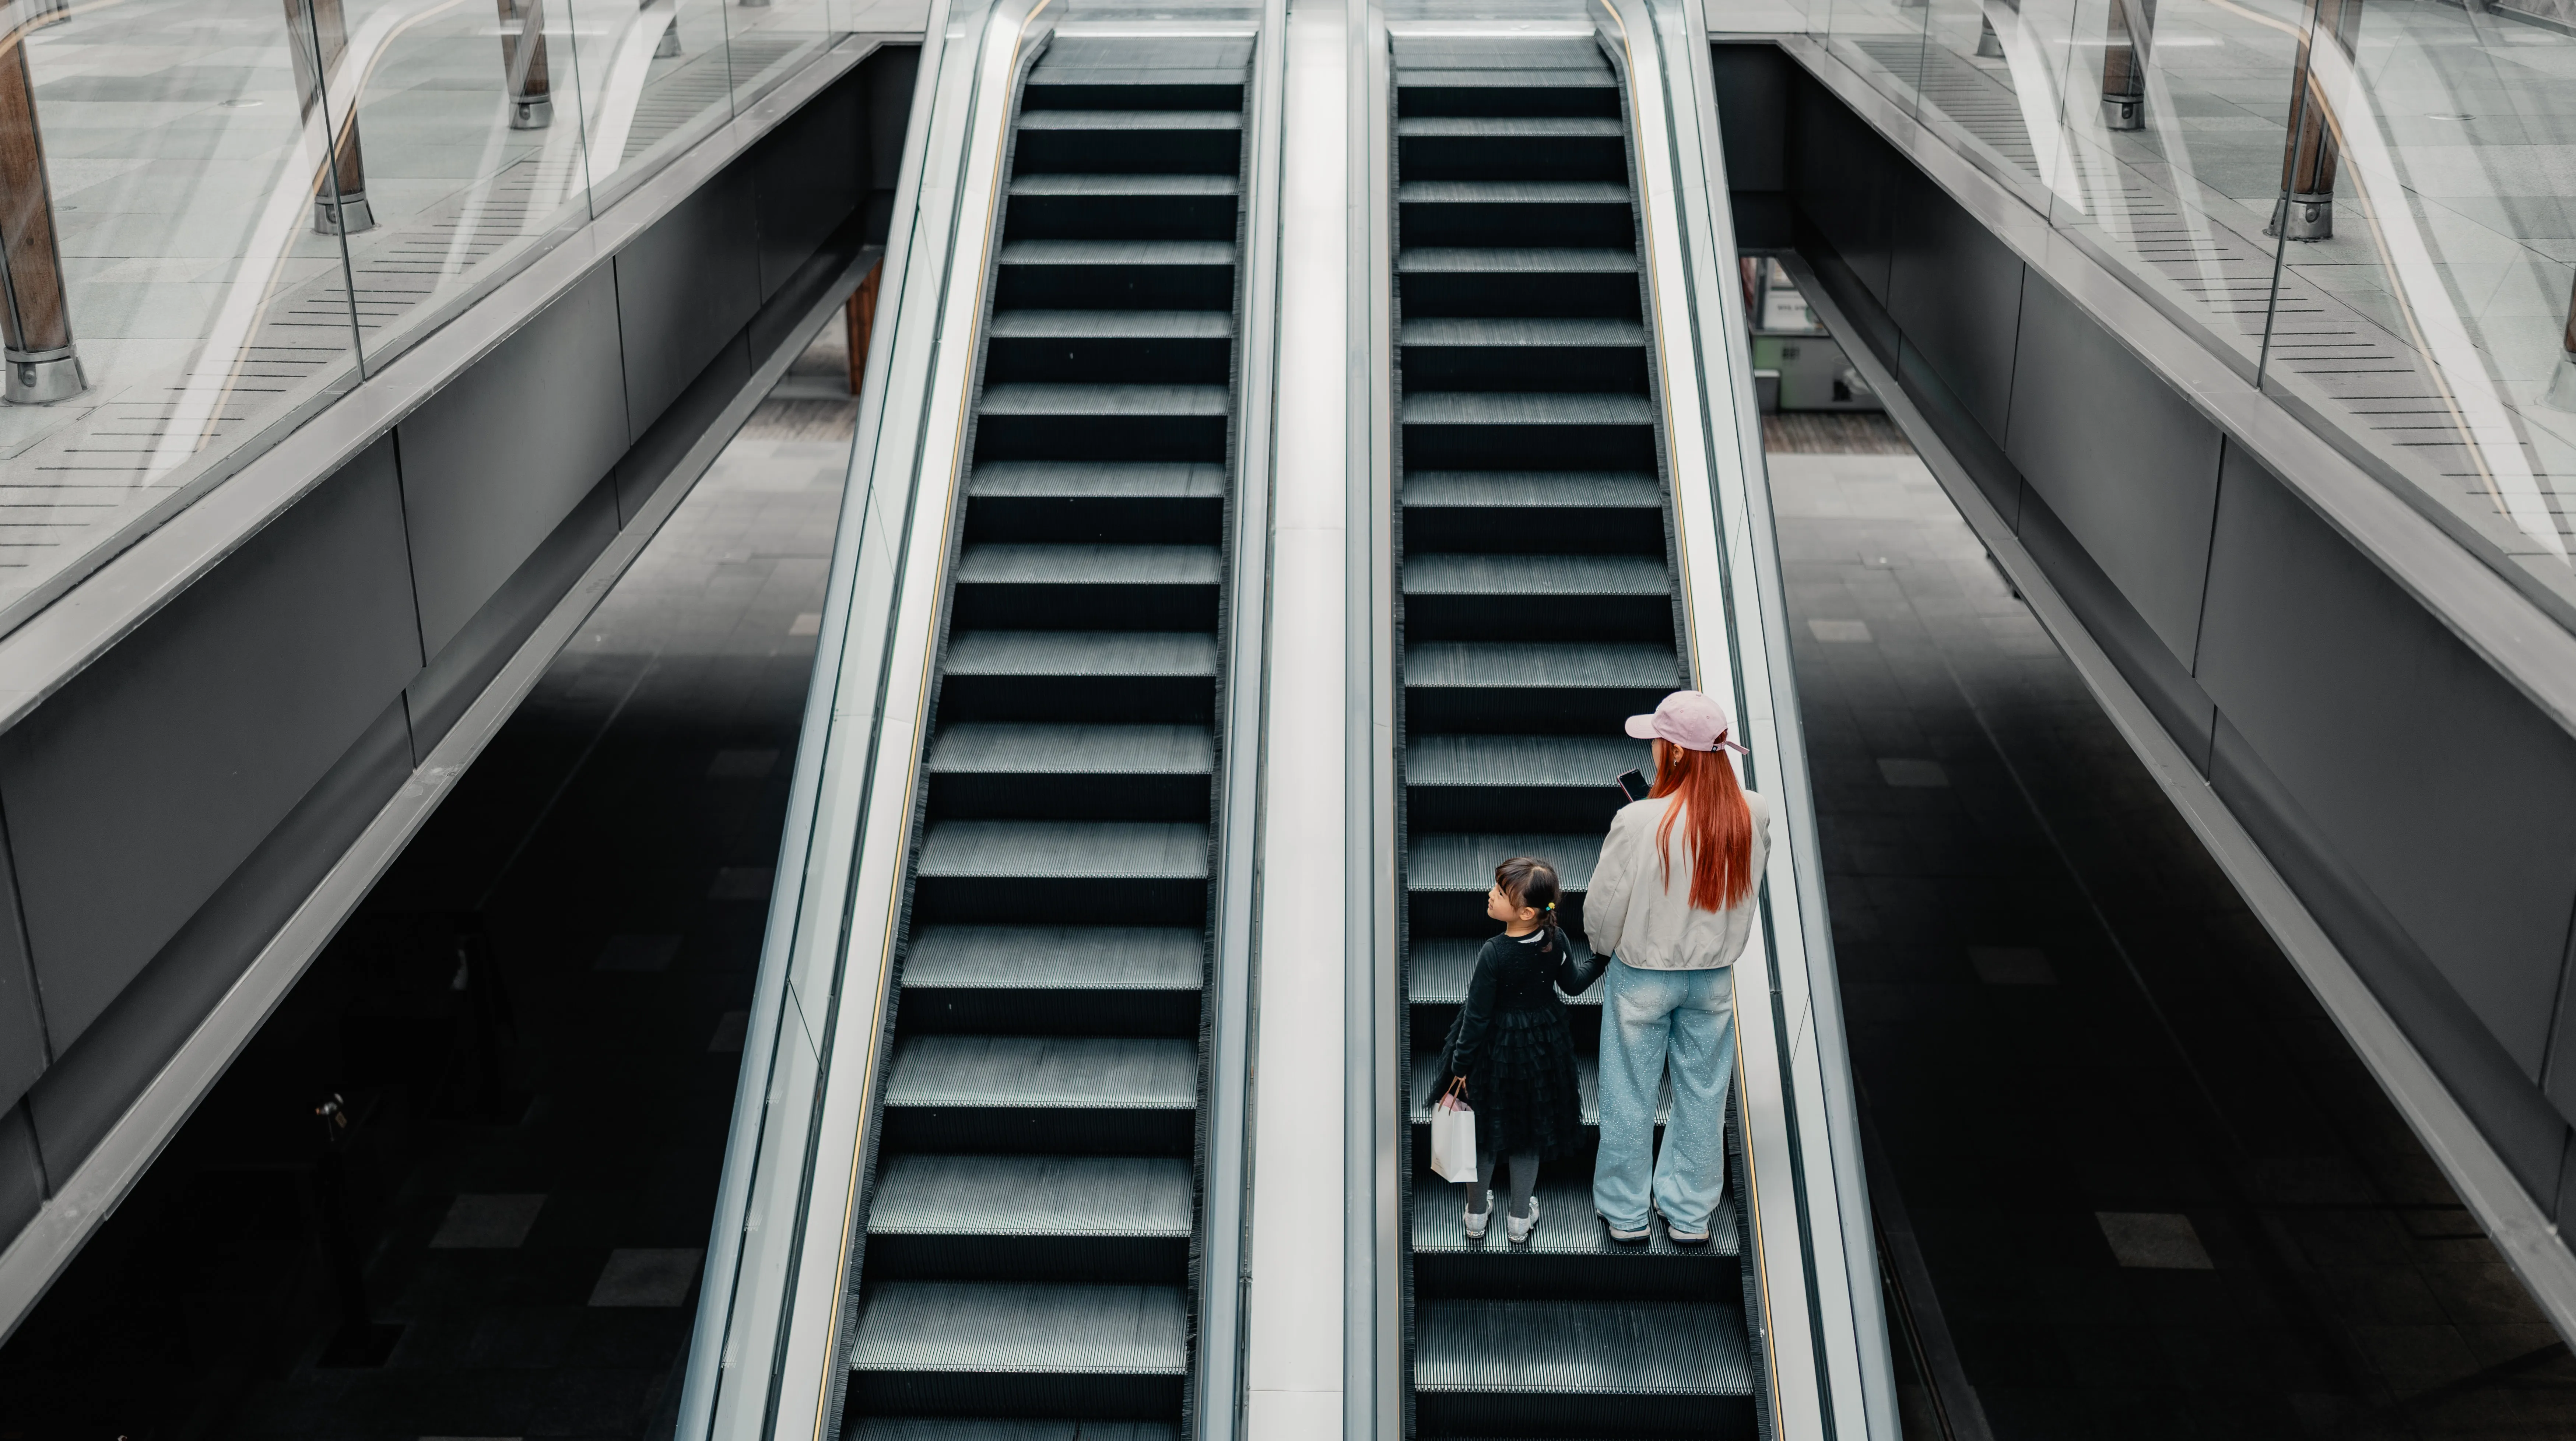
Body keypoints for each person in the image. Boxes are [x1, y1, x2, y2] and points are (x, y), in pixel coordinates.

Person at [1584, 690, 1771, 1245]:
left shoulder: (1638, 819)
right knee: (1703, 1094)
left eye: (1661, 742)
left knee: (1628, 1092)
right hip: (1712, 977)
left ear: (1679, 753)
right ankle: (1689, 1213)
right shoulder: (1754, 812)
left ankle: (1625, 1211)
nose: (1656, 749)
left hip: (1642, 974)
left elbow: (1604, 905)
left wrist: (1599, 948)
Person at [1425, 857, 1599, 1244]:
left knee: (1483, 1133)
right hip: (1541, 1047)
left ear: (1524, 912)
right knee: (1527, 1134)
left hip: (1491, 1052)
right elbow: (1573, 986)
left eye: (1500, 892)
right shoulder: (1557, 940)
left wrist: (1460, 1065)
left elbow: (1476, 1015)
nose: (1491, 894)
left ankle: (1475, 1214)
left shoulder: (1495, 952)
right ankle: (1519, 1218)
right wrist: (1600, 960)